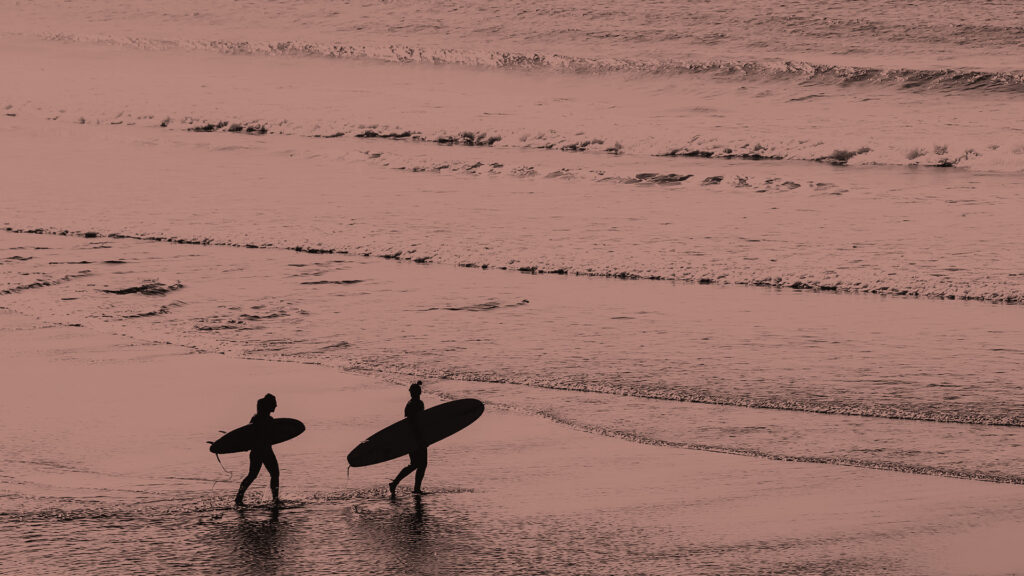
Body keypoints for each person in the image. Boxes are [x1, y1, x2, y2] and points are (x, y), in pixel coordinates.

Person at [235, 393, 280, 506]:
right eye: (274, 403)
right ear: (269, 405)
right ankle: (275, 500)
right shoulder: (262, 419)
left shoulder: (258, 418)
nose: (276, 405)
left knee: (254, 475)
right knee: (273, 474)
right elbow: (250, 435)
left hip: (258, 451)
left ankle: (238, 498)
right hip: (263, 451)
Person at [389, 381, 427, 496]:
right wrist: (422, 439)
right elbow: (415, 423)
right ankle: (397, 483)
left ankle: (414, 488)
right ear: (418, 392)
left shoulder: (412, 403)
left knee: (418, 464)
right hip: (416, 438)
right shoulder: (416, 404)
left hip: (412, 438)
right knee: (418, 464)